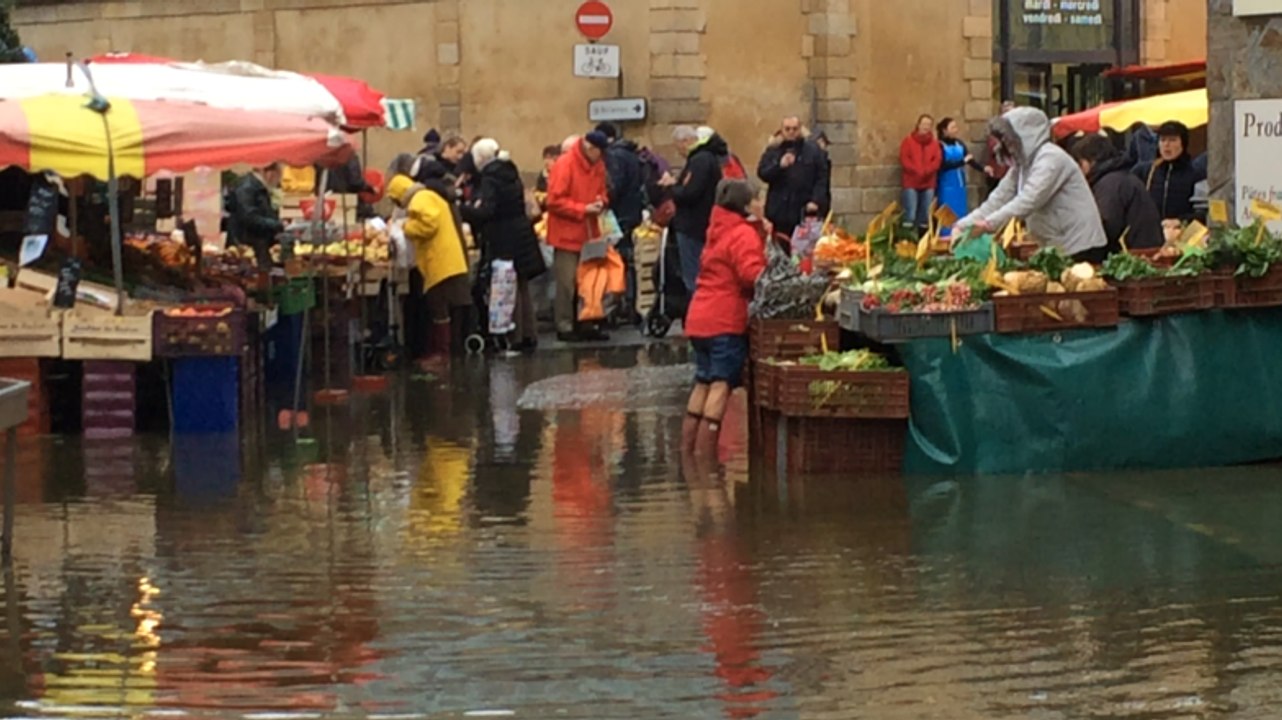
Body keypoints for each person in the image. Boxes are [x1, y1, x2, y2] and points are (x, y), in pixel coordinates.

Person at [953, 107, 1107, 261]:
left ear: (1024, 136)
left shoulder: (1051, 158)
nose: (1002, 146)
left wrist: (988, 225)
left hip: (1080, 245)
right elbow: (999, 198)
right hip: (1057, 245)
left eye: (1006, 140)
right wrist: (962, 225)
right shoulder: (1022, 166)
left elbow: (1029, 199)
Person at [682, 179, 768, 454]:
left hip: (699, 316)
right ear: (746, 205)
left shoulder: (716, 229)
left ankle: (688, 453)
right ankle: (706, 459)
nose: (761, 203)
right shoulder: (742, 233)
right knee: (721, 384)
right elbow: (751, 274)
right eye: (757, 199)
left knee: (703, 381)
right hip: (724, 318)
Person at [461, 139, 546, 352]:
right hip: (522, 234)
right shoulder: (510, 172)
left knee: (509, 287)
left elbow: (488, 210)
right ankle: (529, 334)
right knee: (523, 286)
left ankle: (514, 337)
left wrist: (464, 210)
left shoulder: (490, 178)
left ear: (480, 159)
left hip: (504, 237)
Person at [386, 166, 471, 372]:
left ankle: (441, 355)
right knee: (442, 306)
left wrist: (405, 227)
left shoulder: (420, 199)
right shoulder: (427, 196)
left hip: (440, 261)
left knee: (438, 308)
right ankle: (444, 352)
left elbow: (428, 225)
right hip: (445, 259)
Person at [546, 130, 610, 342]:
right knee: (567, 283)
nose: (601, 158)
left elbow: (602, 190)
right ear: (591, 149)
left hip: (589, 233)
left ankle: (585, 321)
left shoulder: (597, 165)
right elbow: (554, 201)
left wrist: (602, 201)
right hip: (567, 233)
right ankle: (565, 325)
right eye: (599, 153)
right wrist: (583, 209)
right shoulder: (565, 165)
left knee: (589, 281)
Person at [1071, 134, 1163, 254]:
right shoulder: (1117, 177)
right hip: (1142, 250)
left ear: (1092, 161)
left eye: (1080, 163)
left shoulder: (1110, 183)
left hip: (1136, 255)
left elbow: (1106, 228)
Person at [662, 125, 725, 297]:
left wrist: (672, 187)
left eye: (678, 146)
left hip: (693, 226)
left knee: (694, 277)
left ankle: (698, 315)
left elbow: (690, 192)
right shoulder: (708, 158)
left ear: (686, 142)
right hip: (702, 223)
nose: (679, 152)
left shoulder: (699, 160)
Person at [598, 122, 644, 320]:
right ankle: (631, 304)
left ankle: (619, 305)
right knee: (630, 261)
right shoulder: (632, 154)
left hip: (619, 216)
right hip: (633, 211)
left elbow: (614, 186)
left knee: (617, 262)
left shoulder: (614, 156)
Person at [756, 115, 830, 240]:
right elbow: (762, 173)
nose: (791, 132)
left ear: (800, 129)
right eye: (787, 129)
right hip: (778, 212)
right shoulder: (773, 150)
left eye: (794, 129)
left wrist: (816, 200)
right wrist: (779, 165)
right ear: (782, 130)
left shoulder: (813, 151)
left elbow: (822, 178)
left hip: (803, 210)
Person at [1133, 121, 1205, 222]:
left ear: (1183, 143)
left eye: (1172, 140)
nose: (1167, 145)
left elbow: (1203, 212)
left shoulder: (1195, 173)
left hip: (1183, 231)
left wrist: (1180, 221)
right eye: (1162, 140)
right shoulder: (1145, 171)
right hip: (1152, 231)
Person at [227, 163, 283, 272]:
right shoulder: (248, 188)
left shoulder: (255, 187)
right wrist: (276, 224)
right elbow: (249, 217)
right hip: (248, 243)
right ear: (269, 173)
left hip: (255, 244)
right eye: (278, 176)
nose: (277, 181)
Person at [899, 114, 942, 235]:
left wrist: (927, 171)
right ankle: (906, 240)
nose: (926, 127)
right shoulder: (908, 141)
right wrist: (917, 171)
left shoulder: (934, 143)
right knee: (910, 213)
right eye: (924, 124)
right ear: (918, 125)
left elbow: (937, 160)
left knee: (925, 215)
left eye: (929, 125)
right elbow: (904, 159)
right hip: (911, 182)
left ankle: (921, 241)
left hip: (928, 183)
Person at [936, 117, 983, 226]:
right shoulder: (939, 145)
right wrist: (962, 162)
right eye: (952, 127)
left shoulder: (959, 143)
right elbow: (942, 165)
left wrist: (983, 169)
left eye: (956, 127)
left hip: (960, 184)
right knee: (947, 211)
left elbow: (969, 159)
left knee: (960, 210)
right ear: (944, 130)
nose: (956, 130)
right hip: (946, 184)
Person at [982, 101, 1016, 194]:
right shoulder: (995, 127)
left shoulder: (1017, 127)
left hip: (1013, 172)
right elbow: (994, 146)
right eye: (1006, 112)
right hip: (998, 171)